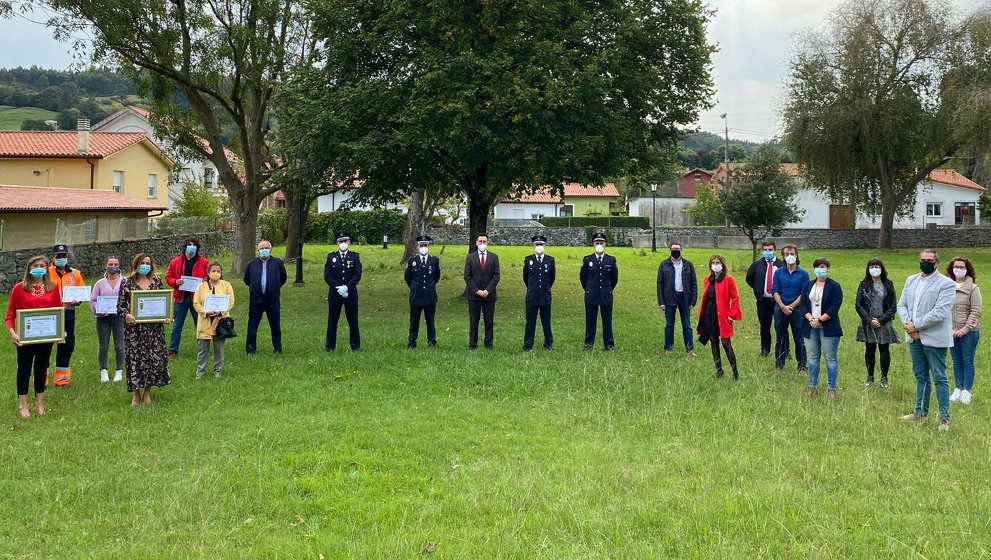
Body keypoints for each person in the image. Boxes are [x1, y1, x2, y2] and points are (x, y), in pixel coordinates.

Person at [897, 249, 956, 431]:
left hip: (934, 338)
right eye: (922, 260)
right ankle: (920, 412)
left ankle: (944, 418)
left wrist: (916, 326)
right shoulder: (911, 280)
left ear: (937, 263)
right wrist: (908, 325)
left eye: (929, 260)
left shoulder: (946, 284)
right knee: (921, 376)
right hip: (914, 337)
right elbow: (902, 305)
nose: (925, 262)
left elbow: (940, 312)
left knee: (939, 378)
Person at [6, 256, 63, 417]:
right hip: (25, 339)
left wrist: (61, 331)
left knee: (41, 369)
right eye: (36, 265)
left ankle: (39, 403)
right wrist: (13, 333)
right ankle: (23, 405)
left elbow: (58, 312)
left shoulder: (53, 287)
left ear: (47, 269)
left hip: (45, 338)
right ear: (29, 268)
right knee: (24, 370)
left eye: (42, 265)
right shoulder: (19, 289)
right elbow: (9, 316)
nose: (39, 268)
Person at [118, 254, 172, 407]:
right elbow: (120, 306)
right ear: (136, 264)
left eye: (148, 263)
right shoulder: (126, 282)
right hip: (134, 331)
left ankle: (147, 392)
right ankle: (136, 394)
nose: (145, 265)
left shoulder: (157, 281)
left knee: (152, 360)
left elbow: (163, 304)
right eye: (142, 262)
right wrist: (127, 315)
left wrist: (166, 317)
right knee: (135, 360)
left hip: (154, 330)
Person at [798, 258, 844, 399]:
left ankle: (832, 389)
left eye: (823, 267)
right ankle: (812, 386)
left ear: (828, 269)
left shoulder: (835, 286)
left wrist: (820, 319)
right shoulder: (808, 285)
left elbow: (835, 306)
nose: (820, 269)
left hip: (828, 327)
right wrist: (811, 319)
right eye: (817, 267)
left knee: (830, 358)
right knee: (812, 358)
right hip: (810, 326)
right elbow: (803, 304)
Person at [696, 254, 743, 379]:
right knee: (713, 342)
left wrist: (732, 315)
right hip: (709, 315)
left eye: (718, 262)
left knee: (726, 343)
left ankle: (735, 373)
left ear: (722, 265)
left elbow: (735, 298)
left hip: (723, 316)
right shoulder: (707, 279)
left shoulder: (728, 279)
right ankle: (719, 370)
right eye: (713, 262)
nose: (715, 265)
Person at [854, 259, 900, 388]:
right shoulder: (863, 284)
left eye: (877, 266)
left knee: (884, 349)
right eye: (872, 266)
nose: (874, 269)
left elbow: (893, 306)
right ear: (868, 269)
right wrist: (869, 320)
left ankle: (884, 377)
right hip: (868, 322)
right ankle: (870, 376)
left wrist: (881, 320)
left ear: (882, 268)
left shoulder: (888, 284)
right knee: (870, 349)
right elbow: (858, 305)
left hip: (884, 322)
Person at [165, 236, 210, 359]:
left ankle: (203, 350)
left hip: (197, 299)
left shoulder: (204, 262)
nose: (192, 247)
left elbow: (208, 277)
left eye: (194, 245)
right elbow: (168, 278)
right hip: (180, 298)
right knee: (177, 326)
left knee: (200, 325)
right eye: (189, 245)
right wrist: (176, 281)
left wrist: (204, 282)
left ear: (197, 248)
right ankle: (173, 351)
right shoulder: (175, 262)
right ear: (184, 247)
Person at [48, 243, 84, 386]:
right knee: (46, 345)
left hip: (68, 313)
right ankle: (42, 376)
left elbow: (82, 292)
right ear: (53, 257)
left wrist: (78, 300)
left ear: (67, 257)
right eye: (58, 256)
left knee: (67, 345)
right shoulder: (45, 272)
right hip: (50, 313)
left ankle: (61, 379)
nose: (61, 258)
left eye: (64, 256)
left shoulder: (75, 273)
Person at [947, 256, 981, 405]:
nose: (958, 269)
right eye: (956, 267)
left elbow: (976, 312)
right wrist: (950, 329)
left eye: (962, 267)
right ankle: (958, 388)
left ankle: (967, 390)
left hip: (969, 333)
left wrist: (964, 329)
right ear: (951, 269)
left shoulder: (973, 288)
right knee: (956, 361)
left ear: (967, 269)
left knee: (967, 360)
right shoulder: (946, 286)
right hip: (951, 332)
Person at [243, 240, 287, 354]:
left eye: (266, 248)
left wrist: (274, 287)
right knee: (252, 326)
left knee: (275, 326)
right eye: (261, 248)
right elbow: (247, 279)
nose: (264, 250)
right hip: (256, 301)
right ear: (258, 250)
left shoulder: (278, 263)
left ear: (270, 250)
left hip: (273, 300)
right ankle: (250, 349)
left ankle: (277, 348)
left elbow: (283, 278)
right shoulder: (251, 264)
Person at [193, 262, 236, 378]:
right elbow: (196, 303)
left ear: (221, 273)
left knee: (219, 348)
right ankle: (200, 372)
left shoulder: (226, 285)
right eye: (213, 271)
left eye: (218, 271)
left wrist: (221, 311)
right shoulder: (201, 287)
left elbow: (231, 301)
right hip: (205, 321)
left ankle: (218, 371)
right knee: (203, 350)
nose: (216, 273)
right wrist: (205, 312)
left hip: (220, 321)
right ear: (208, 272)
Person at [656, 242, 697, 357]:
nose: (675, 251)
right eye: (673, 249)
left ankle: (690, 349)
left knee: (687, 325)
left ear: (681, 250)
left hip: (685, 298)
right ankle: (668, 348)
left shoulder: (688, 265)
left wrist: (693, 301)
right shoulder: (664, 265)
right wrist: (661, 302)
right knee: (669, 324)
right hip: (669, 297)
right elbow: (659, 284)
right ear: (670, 250)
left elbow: (694, 283)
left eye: (677, 249)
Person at [773, 244, 809, 373]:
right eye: (787, 254)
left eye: (792, 254)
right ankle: (779, 364)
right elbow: (775, 291)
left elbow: (804, 293)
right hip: (780, 308)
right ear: (783, 256)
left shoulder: (804, 274)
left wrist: (792, 306)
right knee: (780, 337)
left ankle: (802, 366)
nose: (790, 256)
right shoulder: (778, 273)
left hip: (798, 310)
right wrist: (782, 306)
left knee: (799, 338)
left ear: (796, 255)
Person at [89, 256, 126, 383]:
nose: (113, 266)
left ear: (119, 265)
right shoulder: (99, 283)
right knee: (103, 346)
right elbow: (93, 300)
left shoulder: (125, 281)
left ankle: (119, 371)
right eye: (110, 264)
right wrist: (98, 311)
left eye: (115, 263)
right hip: (103, 319)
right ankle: (103, 371)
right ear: (106, 266)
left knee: (120, 346)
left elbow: (130, 299)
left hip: (119, 318)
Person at [745, 241, 785, 357]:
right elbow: (749, 279)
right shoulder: (757, 265)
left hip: (778, 301)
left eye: (770, 250)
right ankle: (765, 350)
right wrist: (758, 289)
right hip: (763, 301)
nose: (768, 252)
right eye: (766, 250)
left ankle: (784, 350)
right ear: (763, 251)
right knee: (764, 326)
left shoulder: (781, 264)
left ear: (775, 250)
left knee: (781, 326)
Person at [580, 232, 618, 350]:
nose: (599, 245)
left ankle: (609, 344)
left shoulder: (611, 260)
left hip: (606, 295)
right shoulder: (587, 260)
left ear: (605, 244)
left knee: (607, 321)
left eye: (601, 242)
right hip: (591, 295)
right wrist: (589, 289)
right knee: (590, 321)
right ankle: (588, 344)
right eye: (597, 243)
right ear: (593, 245)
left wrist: (607, 289)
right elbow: (583, 278)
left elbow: (614, 279)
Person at [324, 232, 362, 352]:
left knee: (353, 320)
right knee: (332, 320)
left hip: (350, 293)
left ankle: (355, 346)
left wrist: (347, 287)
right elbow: (327, 276)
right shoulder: (331, 257)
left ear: (349, 242)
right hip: (335, 294)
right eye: (341, 241)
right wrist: (338, 288)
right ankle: (330, 346)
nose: (343, 244)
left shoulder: (354, 256)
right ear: (337, 243)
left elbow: (357, 274)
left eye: (345, 241)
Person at [464, 233, 500, 350]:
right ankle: (473, 344)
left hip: (489, 296)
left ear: (487, 243)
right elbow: (467, 276)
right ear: (476, 243)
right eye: (480, 241)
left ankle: (488, 344)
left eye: (484, 242)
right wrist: (477, 290)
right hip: (474, 296)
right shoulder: (470, 257)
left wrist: (488, 290)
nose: (482, 244)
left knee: (489, 321)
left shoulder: (494, 257)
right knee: (474, 321)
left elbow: (496, 276)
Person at [405, 235, 441, 348]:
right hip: (416, 296)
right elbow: (407, 277)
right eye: (421, 245)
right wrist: (415, 287)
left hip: (430, 296)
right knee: (414, 321)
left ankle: (432, 341)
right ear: (418, 246)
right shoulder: (412, 261)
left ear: (428, 245)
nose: (423, 247)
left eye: (425, 245)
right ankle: (412, 342)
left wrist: (430, 286)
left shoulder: (434, 260)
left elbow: (436, 276)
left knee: (430, 321)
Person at [522, 235, 555, 351]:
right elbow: (525, 278)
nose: (539, 247)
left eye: (541, 244)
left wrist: (544, 289)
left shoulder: (550, 260)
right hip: (532, 296)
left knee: (546, 321)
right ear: (533, 246)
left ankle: (548, 343)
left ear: (545, 246)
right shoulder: (528, 260)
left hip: (545, 296)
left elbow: (552, 278)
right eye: (537, 244)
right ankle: (528, 344)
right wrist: (533, 288)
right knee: (530, 322)